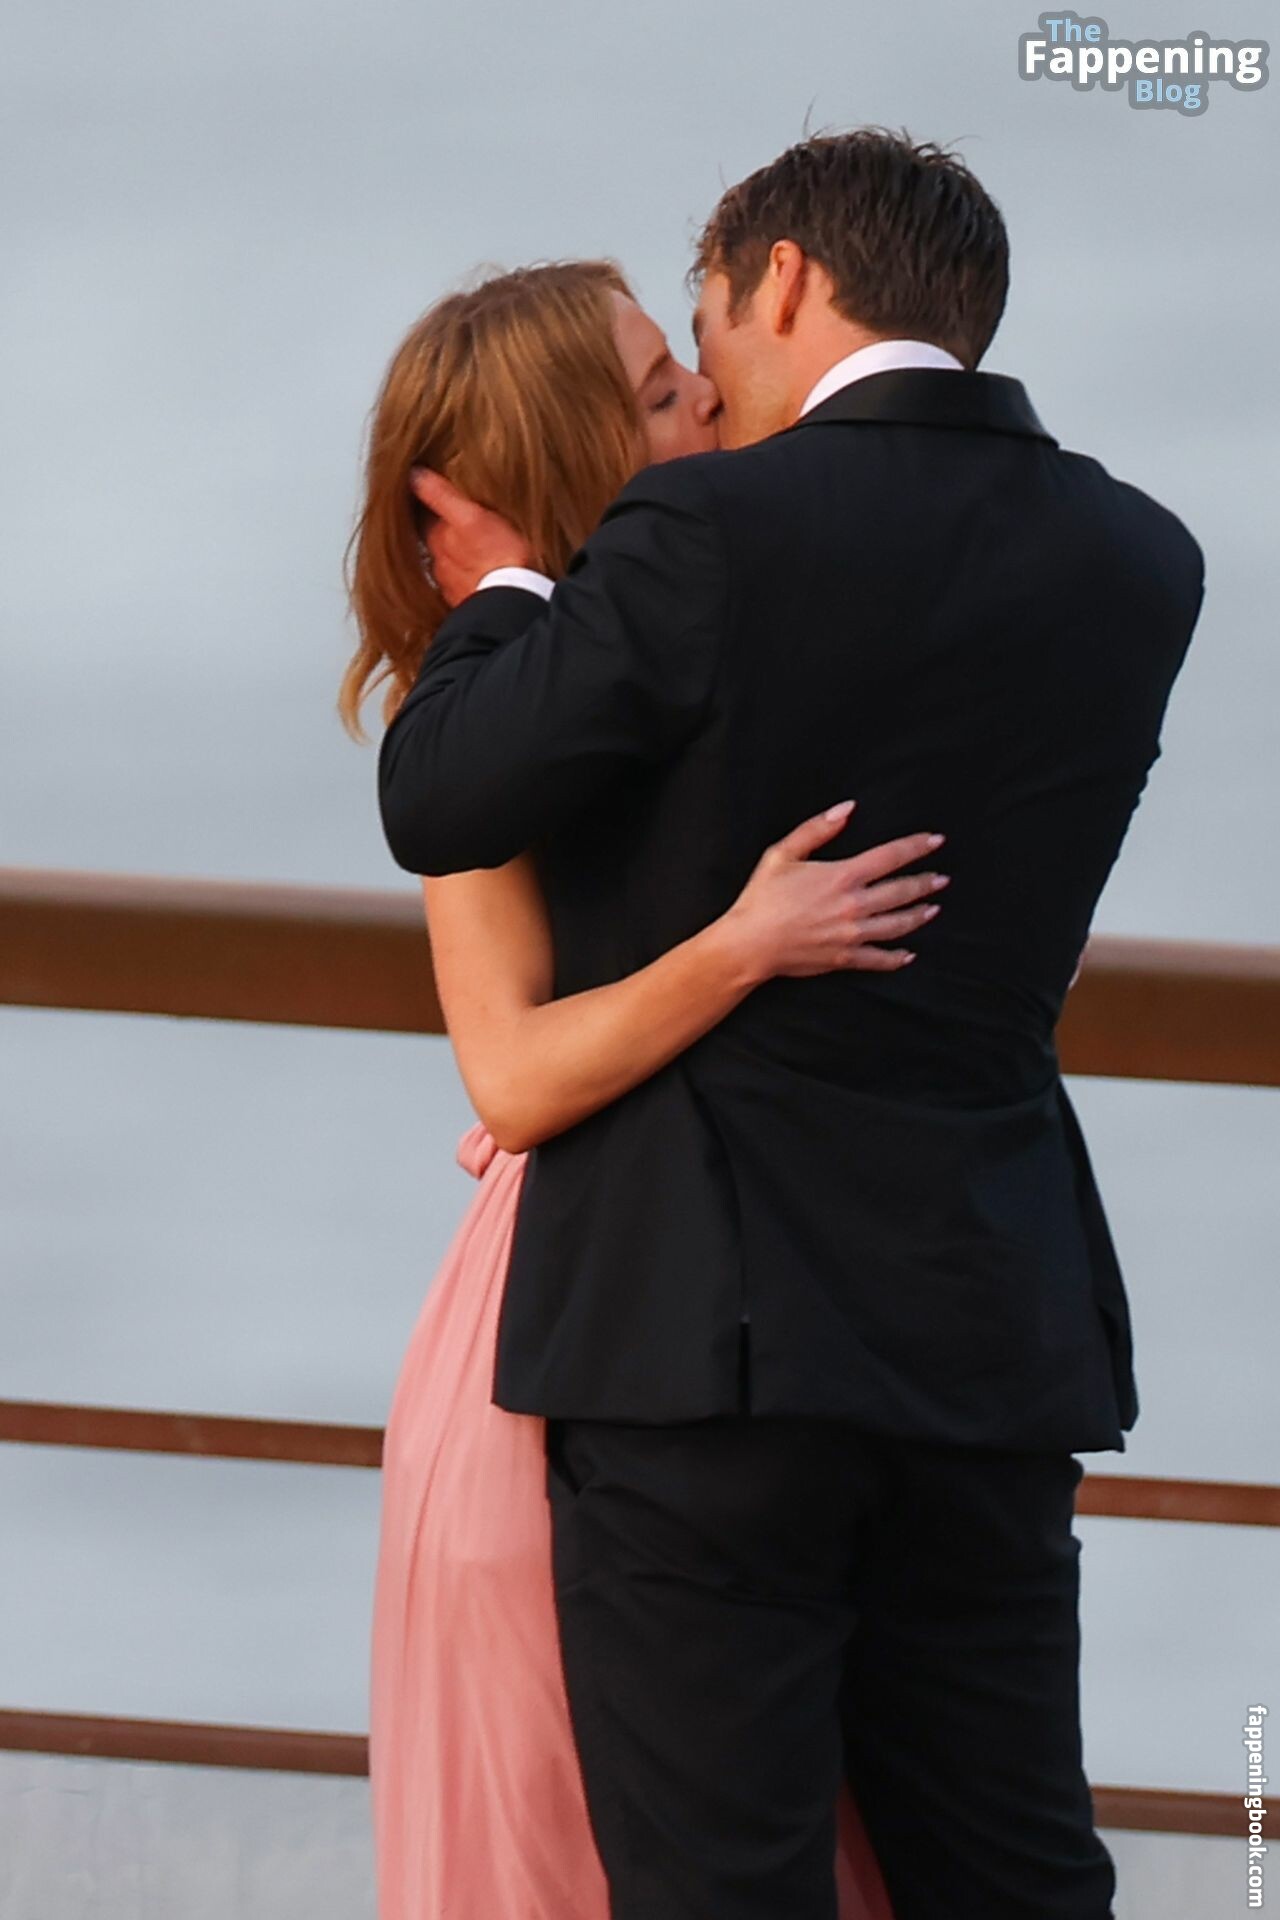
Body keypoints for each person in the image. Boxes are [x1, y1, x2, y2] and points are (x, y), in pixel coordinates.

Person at [376, 128, 1206, 1918]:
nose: (707, 389)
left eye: (699, 339)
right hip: (986, 1319)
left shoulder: (702, 535)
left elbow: (439, 799)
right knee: (1011, 1870)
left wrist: (501, 581)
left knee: (722, 1881)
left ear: (783, 281)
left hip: (708, 1343)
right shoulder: (1143, 560)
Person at [344, 258, 940, 1918]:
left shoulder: (699, 647)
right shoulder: (487, 722)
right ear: (576, 455)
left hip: (751, 1317)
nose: (708, 392)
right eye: (660, 390)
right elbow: (515, 1073)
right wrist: (744, 947)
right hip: (576, 1331)